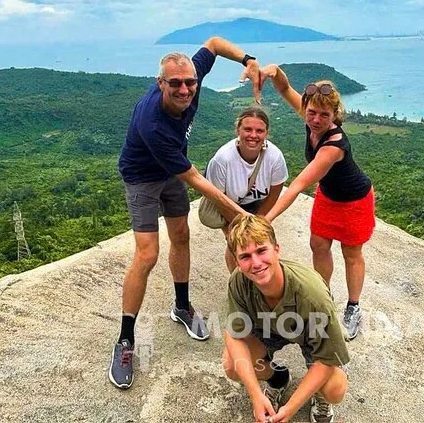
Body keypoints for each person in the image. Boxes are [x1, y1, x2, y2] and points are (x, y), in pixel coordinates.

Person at [109, 37, 262, 390]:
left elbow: (214, 43)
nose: (184, 89)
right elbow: (194, 178)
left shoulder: (191, 74)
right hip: (142, 177)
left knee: (181, 235)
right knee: (147, 254)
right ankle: (125, 340)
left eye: (190, 82)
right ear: (160, 83)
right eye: (174, 83)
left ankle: (181, 306)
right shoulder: (154, 123)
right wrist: (241, 214)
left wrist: (248, 60)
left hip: (172, 171)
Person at [260, 65, 375, 341]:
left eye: (324, 115)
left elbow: (298, 184)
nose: (316, 119)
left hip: (354, 200)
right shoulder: (310, 118)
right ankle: (324, 298)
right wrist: (274, 71)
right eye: (311, 112)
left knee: (351, 253)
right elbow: (284, 88)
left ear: (335, 115)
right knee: (318, 245)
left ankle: (353, 307)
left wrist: (267, 218)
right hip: (328, 195)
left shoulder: (334, 145)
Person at [223, 215, 349, 423]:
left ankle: (318, 394)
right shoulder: (238, 280)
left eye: (261, 251)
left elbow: (327, 359)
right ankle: (278, 378)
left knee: (334, 390)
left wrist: (290, 408)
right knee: (232, 365)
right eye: (245, 256)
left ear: (277, 249)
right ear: (237, 262)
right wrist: (255, 395)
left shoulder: (313, 295)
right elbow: (234, 335)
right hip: (267, 327)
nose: (256, 263)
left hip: (310, 334)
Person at [204, 105, 288, 272]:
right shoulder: (222, 159)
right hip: (228, 204)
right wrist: (240, 227)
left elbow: (274, 194)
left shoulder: (274, 157)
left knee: (261, 241)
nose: (253, 135)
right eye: (247, 129)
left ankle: (260, 276)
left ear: (266, 133)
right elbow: (220, 200)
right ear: (238, 130)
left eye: (259, 131)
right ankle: (237, 278)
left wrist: (259, 223)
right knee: (237, 242)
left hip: (258, 203)